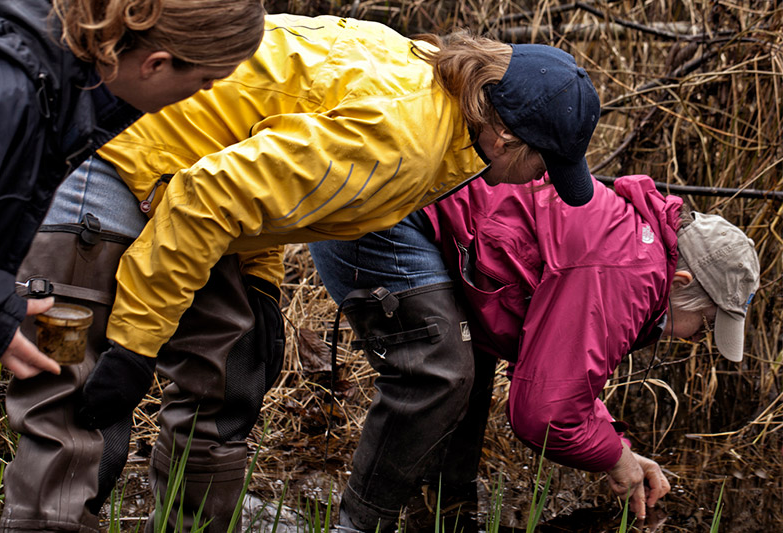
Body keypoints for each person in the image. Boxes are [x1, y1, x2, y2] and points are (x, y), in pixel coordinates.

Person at [3, 13, 602, 532]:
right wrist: (135, 349)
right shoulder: (400, 139)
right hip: (117, 164)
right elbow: (208, 195)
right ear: (504, 135)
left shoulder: (438, 100)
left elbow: (259, 152)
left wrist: (260, 283)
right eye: (545, 163)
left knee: (233, 372)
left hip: (185, 193)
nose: (542, 179)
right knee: (78, 406)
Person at [308, 174, 761, 531]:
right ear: (680, 283)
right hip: (379, 213)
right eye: (705, 323)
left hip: (401, 208)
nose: (698, 338)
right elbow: (542, 415)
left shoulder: (634, 248)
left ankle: (442, 513)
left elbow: (559, 374)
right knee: (442, 373)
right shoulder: (628, 272)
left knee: (470, 352)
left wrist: (616, 444)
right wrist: (613, 459)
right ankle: (357, 525)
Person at [0, 0, 265, 380]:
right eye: (205, 80)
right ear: (156, 64)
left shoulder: (60, 85)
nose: (208, 91)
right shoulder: (6, 93)